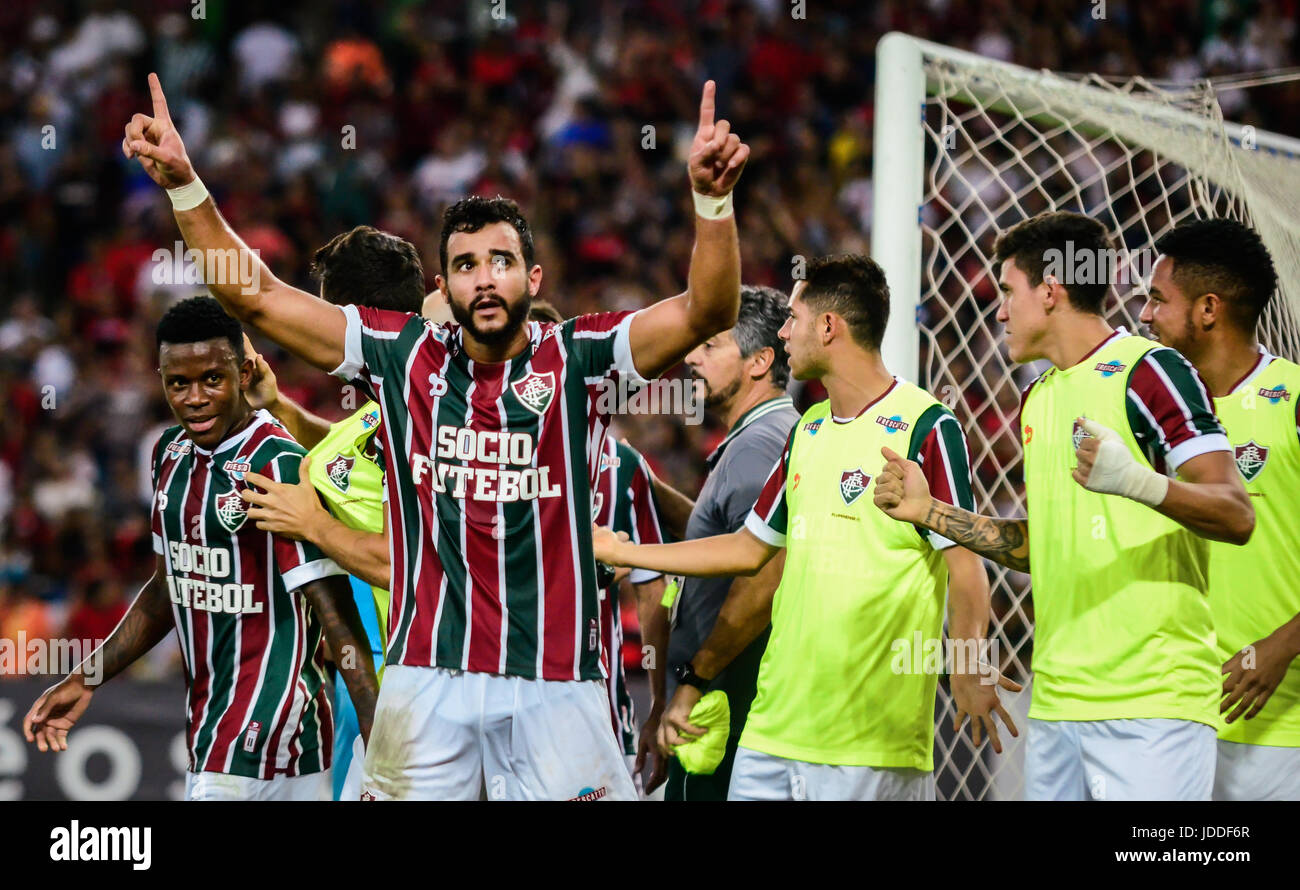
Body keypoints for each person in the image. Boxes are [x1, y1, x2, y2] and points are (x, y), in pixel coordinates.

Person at [123, 73, 749, 800]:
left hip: (553, 682)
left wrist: (711, 201)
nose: (484, 279)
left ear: (531, 275)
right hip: (427, 682)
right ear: (444, 288)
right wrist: (186, 186)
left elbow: (706, 307)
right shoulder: (402, 355)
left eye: (501, 262)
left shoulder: (581, 359)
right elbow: (255, 295)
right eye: (465, 265)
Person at [595, 255, 1017, 800]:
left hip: (866, 743)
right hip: (771, 732)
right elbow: (749, 548)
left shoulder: (927, 424)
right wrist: (631, 552)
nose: (785, 330)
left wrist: (966, 662)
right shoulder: (809, 428)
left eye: (792, 317)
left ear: (828, 326)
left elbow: (966, 567)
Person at [874, 210, 1255, 801]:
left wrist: (1139, 483)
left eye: (1007, 292)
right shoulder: (1038, 398)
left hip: (1152, 705)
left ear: (1049, 291)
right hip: (1055, 704)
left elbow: (1236, 512)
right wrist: (931, 513)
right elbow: (1042, 546)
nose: (998, 311)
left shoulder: (1150, 371)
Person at [23, 297, 378, 801]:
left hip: (264, 738)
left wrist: (380, 751)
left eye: (212, 378)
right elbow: (171, 584)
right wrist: (87, 678)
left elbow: (337, 616)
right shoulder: (169, 455)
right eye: (178, 383)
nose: (194, 397)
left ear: (245, 371)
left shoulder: (277, 463)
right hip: (226, 737)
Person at [238, 224, 427, 800]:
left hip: (406, 676)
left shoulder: (422, 413)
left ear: (347, 318)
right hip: (359, 668)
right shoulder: (384, 404)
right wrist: (278, 407)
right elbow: (348, 455)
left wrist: (311, 524)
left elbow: (413, 564)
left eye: (324, 313)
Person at [1138, 218, 1300, 800]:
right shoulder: (1150, 413)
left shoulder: (1294, 399)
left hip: (1280, 719)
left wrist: (1282, 645)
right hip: (1172, 713)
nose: (1145, 314)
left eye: (1158, 298)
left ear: (1208, 310)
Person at [640, 284, 799, 800]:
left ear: (760, 361)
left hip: (724, 697)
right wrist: (651, 486)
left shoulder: (756, 448)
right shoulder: (770, 434)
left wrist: (694, 678)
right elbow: (736, 539)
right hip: (728, 694)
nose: (690, 357)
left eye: (711, 346)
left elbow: (759, 572)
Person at [525, 300, 670, 794]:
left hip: (600, 706)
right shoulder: (482, 455)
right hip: (507, 698)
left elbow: (652, 589)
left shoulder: (624, 466)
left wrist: (658, 704)